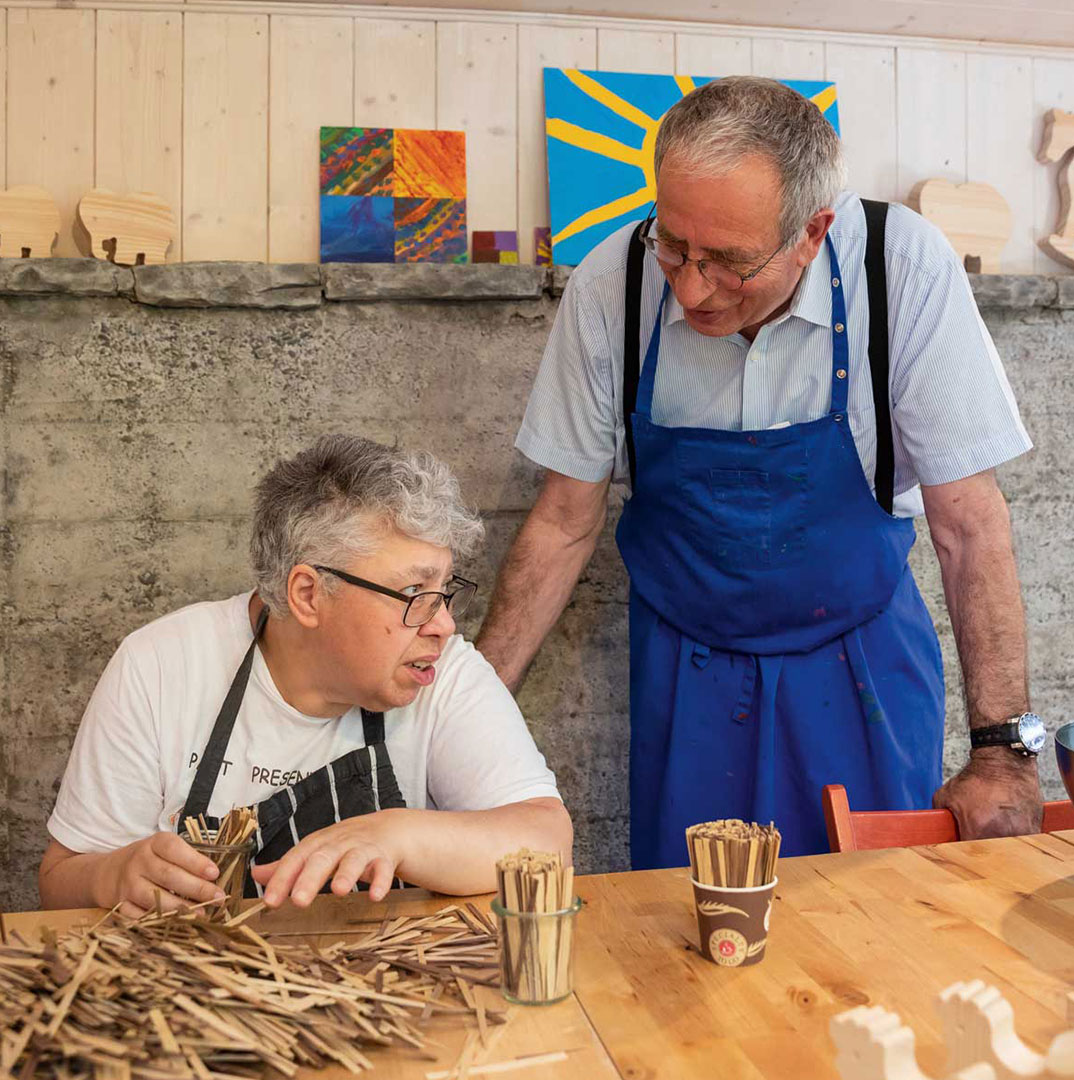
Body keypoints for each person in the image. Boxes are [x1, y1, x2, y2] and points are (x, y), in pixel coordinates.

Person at [476, 76, 1043, 865]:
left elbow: (971, 526)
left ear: (813, 231)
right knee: (691, 928)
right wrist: (461, 713)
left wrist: (1000, 752)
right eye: (673, 244)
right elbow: (564, 520)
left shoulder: (899, 268)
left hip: (861, 665)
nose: (689, 285)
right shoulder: (616, 282)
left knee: (872, 922)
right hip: (687, 672)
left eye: (727, 262)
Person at [39, 435, 571, 915]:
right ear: (308, 594)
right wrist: (112, 876)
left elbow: (548, 841)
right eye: (413, 595)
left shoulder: (442, 671)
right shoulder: (160, 666)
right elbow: (59, 882)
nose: (443, 624)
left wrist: (397, 836)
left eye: (445, 591)